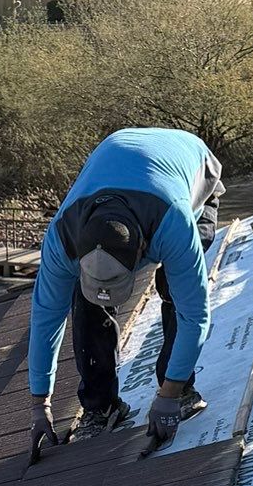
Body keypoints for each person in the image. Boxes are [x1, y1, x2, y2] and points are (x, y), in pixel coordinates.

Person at [28, 125, 223, 444]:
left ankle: (181, 388)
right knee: (87, 302)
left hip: (192, 167)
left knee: (175, 291)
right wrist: (39, 404)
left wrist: (168, 397)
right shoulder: (62, 239)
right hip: (120, 153)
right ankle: (100, 406)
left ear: (142, 251)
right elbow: (45, 319)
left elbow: (196, 315)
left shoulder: (173, 222)